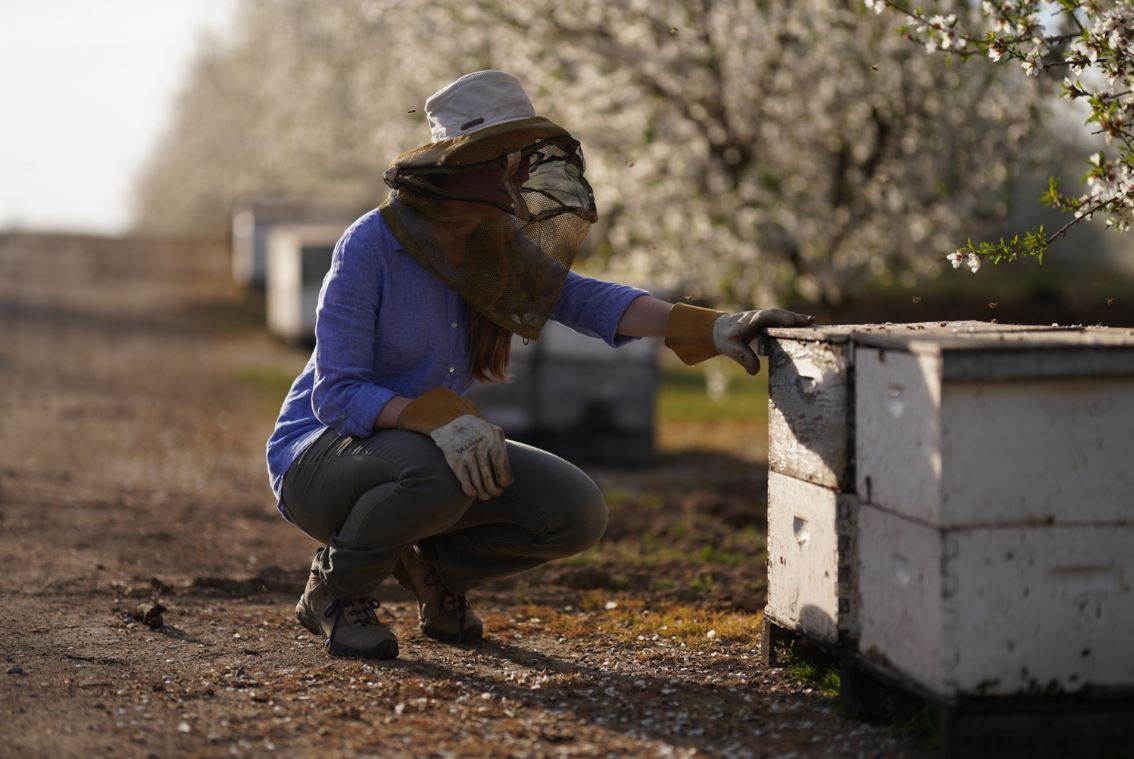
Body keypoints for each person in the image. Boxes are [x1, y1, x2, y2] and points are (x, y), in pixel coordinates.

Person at [265, 70, 812, 659]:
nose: (522, 172)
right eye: (506, 156)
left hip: (423, 451)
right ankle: (336, 589)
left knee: (574, 510)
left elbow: (583, 299)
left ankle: (435, 570)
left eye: (524, 155)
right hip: (320, 456)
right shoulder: (370, 244)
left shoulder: (489, 247)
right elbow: (338, 395)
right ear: (460, 162)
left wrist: (710, 325)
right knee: (442, 472)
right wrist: (436, 417)